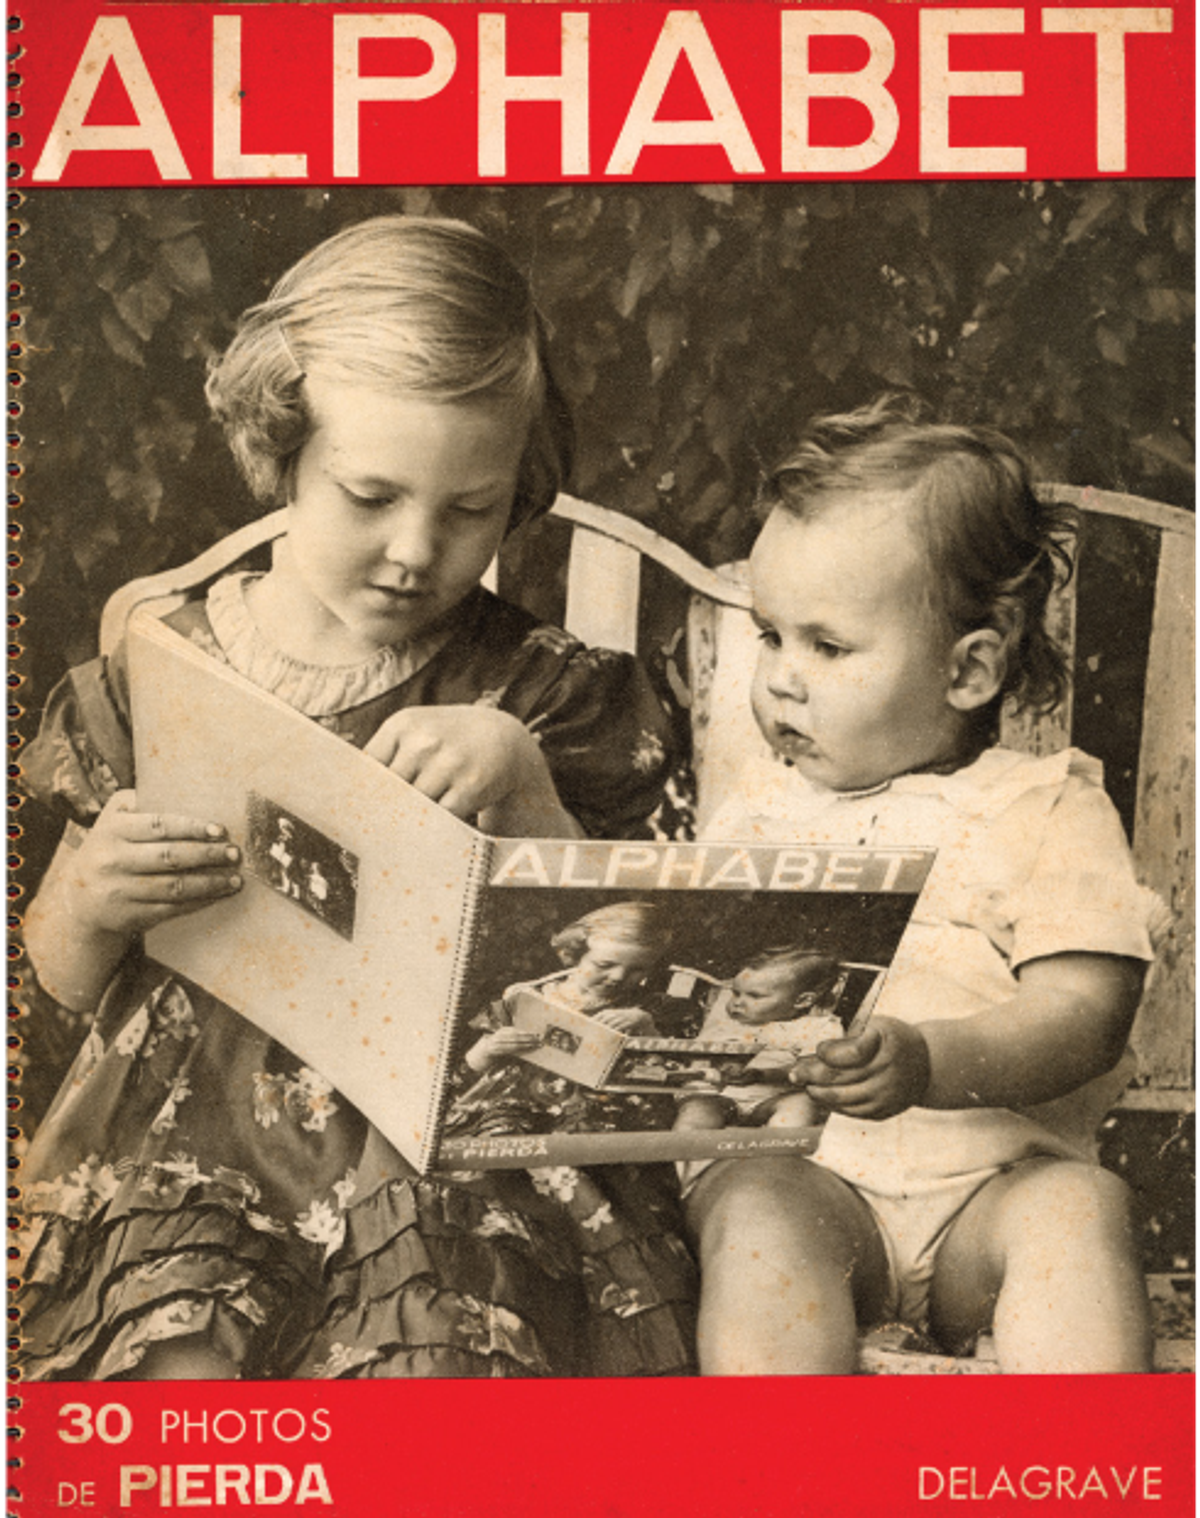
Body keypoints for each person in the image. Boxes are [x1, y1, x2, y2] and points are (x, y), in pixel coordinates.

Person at [17, 217, 696, 1381]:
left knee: (430, 1362)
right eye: (370, 495)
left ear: (519, 486)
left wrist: (529, 796)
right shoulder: (154, 677)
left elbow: (634, 968)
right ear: (278, 449)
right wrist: (85, 902)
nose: (415, 549)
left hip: (441, 1153)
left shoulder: (542, 695)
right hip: (187, 1146)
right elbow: (58, 995)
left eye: (470, 510)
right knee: (174, 1356)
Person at [687, 395, 1163, 1376]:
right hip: (824, 1198)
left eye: (827, 646)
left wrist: (928, 1063)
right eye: (768, 635)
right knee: (753, 1204)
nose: (780, 677)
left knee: (1079, 1208)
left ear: (969, 670)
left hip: (989, 1202)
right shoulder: (753, 820)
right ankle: (785, 1475)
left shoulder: (1044, 811)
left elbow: (1086, 1015)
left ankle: (1085, 1469)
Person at [446, 901, 671, 1136]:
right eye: (604, 964)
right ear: (574, 955)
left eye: (639, 969)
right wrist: (489, 1049)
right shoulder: (524, 1000)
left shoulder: (645, 1010)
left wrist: (648, 1031)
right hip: (510, 1114)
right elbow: (461, 1077)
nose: (618, 976)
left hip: (598, 1118)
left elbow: (672, 1077)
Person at [673, 945, 845, 1131]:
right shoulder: (726, 1020)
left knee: (801, 1105)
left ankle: (777, 1151)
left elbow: (812, 1070)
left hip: (773, 1097)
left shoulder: (819, 1027)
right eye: (736, 993)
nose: (738, 1002)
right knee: (696, 1112)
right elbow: (695, 1053)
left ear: (802, 1001)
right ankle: (688, 1156)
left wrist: (764, 1075)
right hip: (713, 1095)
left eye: (754, 996)